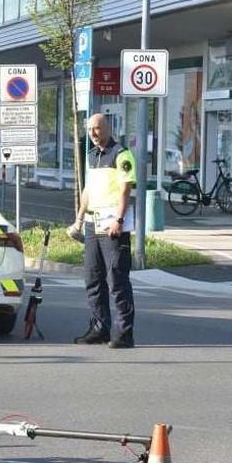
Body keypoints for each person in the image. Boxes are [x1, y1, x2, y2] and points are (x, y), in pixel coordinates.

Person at [70, 113, 136, 349]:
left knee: (116, 279)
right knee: (93, 279)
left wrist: (119, 219)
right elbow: (87, 190)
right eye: (90, 130)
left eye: (97, 129)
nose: (93, 134)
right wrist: (78, 220)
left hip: (112, 226)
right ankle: (100, 329)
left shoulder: (121, 154)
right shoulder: (91, 156)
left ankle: (124, 333)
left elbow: (125, 188)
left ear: (107, 127)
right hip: (92, 224)